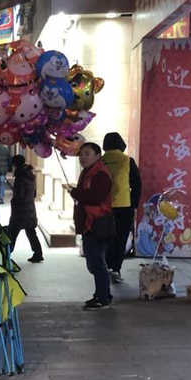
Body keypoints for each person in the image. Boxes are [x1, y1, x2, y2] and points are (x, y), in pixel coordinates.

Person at [64, 142, 114, 311]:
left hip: (97, 223)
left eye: (87, 153)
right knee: (93, 263)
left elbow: (94, 197)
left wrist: (75, 192)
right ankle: (100, 294)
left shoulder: (100, 174)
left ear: (98, 155)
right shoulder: (88, 172)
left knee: (97, 263)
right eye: (81, 154)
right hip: (89, 224)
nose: (83, 157)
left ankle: (103, 298)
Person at [102, 132, 142, 284]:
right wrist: (134, 205)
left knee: (105, 238)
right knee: (120, 238)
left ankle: (106, 266)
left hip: (103, 207)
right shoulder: (127, 161)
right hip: (124, 207)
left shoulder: (100, 161)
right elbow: (137, 184)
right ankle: (116, 269)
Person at [8, 154, 44, 263]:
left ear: (15, 164)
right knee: (31, 232)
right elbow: (34, 194)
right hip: (29, 209)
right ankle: (38, 253)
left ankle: (6, 254)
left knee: (12, 233)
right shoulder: (30, 175)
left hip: (20, 211)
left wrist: (13, 200)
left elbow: (19, 195)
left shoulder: (20, 177)